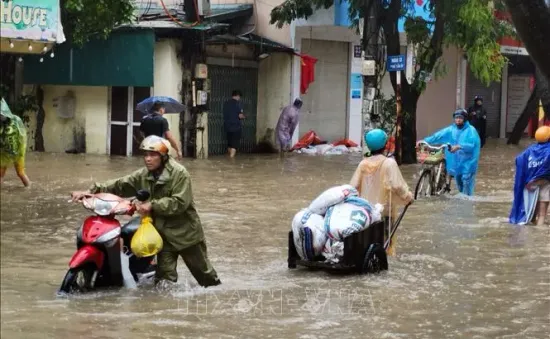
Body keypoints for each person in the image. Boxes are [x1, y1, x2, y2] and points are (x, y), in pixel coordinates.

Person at [71, 135, 221, 287]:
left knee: (206, 278)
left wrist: (152, 205)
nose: (148, 159)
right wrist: (90, 191)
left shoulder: (179, 173)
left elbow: (180, 202)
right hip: (163, 237)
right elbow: (121, 184)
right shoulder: (144, 174)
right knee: (164, 282)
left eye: (153, 155)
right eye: (146, 155)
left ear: (163, 156)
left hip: (186, 235)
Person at [350, 129, 414, 256]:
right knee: (385, 244)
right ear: (385, 145)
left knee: (368, 242)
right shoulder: (389, 163)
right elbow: (398, 186)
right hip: (384, 212)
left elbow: (353, 187)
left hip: (366, 212)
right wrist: (408, 198)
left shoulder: (363, 163)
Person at [419, 109, 481, 196]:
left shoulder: (471, 130)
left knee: (466, 185)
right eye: (456, 118)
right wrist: (424, 141)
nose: (458, 120)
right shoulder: (451, 129)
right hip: (457, 164)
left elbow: (472, 145)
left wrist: (459, 146)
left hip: (468, 163)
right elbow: (437, 136)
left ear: (465, 119)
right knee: (459, 185)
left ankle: (467, 202)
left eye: (460, 118)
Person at [509, 126, 550, 226]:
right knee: (542, 214)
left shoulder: (531, 149)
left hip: (530, 184)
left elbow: (519, 160)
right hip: (545, 182)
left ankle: (530, 227)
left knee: (532, 211)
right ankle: (537, 235)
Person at [0, 98, 31, 187]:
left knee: (20, 173)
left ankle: (28, 188)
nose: (1, 116)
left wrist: (20, 150)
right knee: (0, 174)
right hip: (4, 153)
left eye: (2, 114)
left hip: (17, 151)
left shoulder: (16, 120)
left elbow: (23, 135)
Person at [223, 90, 245, 158]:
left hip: (227, 126)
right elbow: (240, 115)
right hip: (235, 127)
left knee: (230, 144)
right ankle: (231, 160)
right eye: (239, 97)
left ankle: (229, 159)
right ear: (238, 96)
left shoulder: (226, 103)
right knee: (234, 144)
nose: (239, 98)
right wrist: (244, 116)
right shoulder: (238, 104)